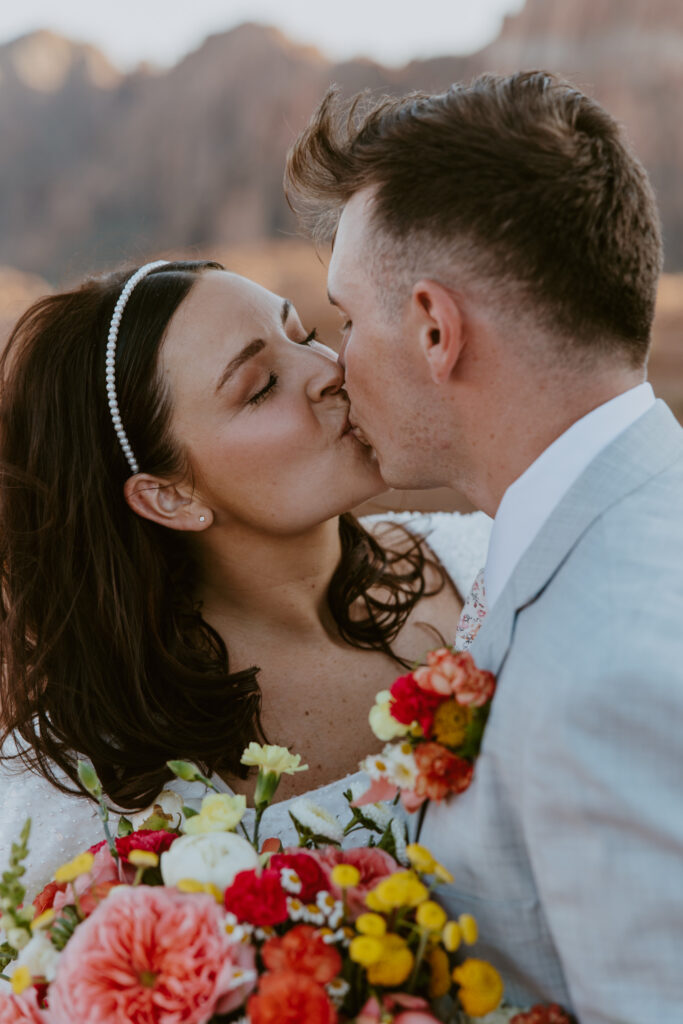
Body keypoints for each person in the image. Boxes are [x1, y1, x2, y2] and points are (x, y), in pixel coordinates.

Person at [285, 71, 683, 1022]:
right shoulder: (617, 531)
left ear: (434, 328)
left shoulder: (606, 675)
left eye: (346, 320)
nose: (334, 369)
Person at [0, 258, 491, 897]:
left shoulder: (486, 559)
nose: (328, 370)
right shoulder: (90, 796)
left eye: (306, 332)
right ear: (167, 495)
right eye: (260, 386)